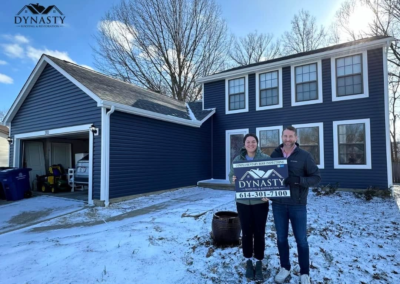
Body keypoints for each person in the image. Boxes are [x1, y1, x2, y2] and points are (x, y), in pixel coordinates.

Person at [270, 126, 321, 284]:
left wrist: (299, 180)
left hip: (297, 204)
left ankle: (304, 272)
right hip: (278, 204)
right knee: (281, 238)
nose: (288, 139)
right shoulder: (275, 154)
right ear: (282, 137)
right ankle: (285, 267)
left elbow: (316, 178)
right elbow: (268, 177)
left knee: (301, 240)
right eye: (285, 136)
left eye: (291, 136)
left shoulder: (304, 156)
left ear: (296, 138)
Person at [229, 133, 270, 281]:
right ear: (244, 144)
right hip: (243, 203)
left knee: (259, 232)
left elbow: (272, 180)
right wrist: (233, 179)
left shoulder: (265, 159)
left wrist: (268, 194)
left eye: (253, 142)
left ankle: (258, 261)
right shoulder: (238, 160)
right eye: (248, 142)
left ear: (257, 143)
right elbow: (230, 176)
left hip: (260, 202)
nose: (251, 144)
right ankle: (248, 260)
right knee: (246, 232)